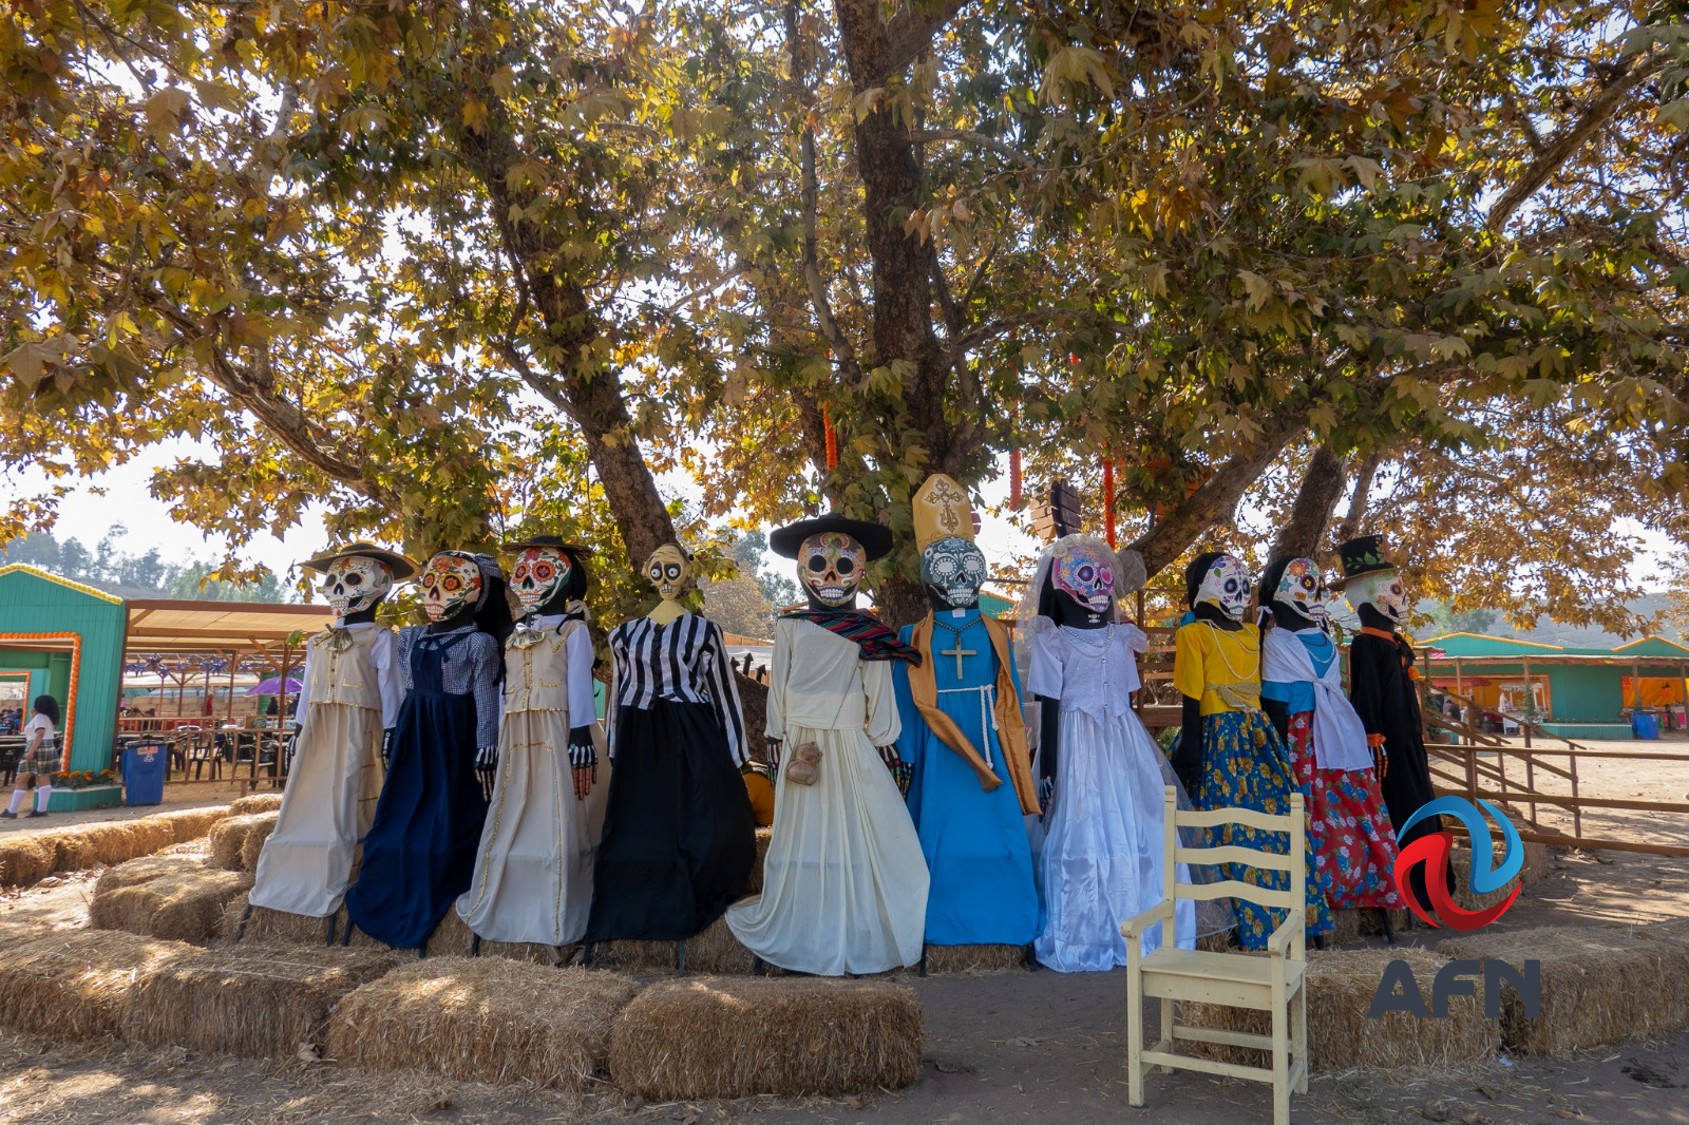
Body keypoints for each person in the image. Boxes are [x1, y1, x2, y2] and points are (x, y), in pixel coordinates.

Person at [3, 695, 61, 819]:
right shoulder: (46, 717)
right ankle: (41, 809)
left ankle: (12, 810)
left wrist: (31, 752)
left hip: (36, 746)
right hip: (47, 746)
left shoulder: (40, 717)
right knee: (42, 778)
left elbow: (39, 733)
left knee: (21, 778)